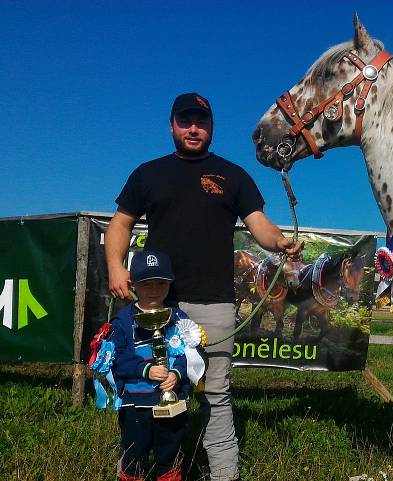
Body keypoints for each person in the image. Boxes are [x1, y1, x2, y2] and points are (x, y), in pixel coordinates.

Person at [106, 92, 301, 481]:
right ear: (172, 125)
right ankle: (144, 467)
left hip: (214, 305)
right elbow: (121, 223)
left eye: (201, 121)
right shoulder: (148, 174)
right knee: (145, 389)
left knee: (215, 393)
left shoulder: (233, 175)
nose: (193, 128)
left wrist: (278, 241)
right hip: (156, 305)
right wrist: (115, 266)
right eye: (185, 121)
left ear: (211, 127)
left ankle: (224, 476)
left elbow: (258, 222)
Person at [111, 250, 190, 481]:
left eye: (160, 283)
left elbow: (190, 353)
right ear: (133, 285)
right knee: (134, 456)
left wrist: (176, 373)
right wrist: (145, 369)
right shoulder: (123, 319)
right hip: (136, 405)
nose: (154, 289)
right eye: (146, 284)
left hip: (172, 403)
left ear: (169, 284)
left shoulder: (179, 317)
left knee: (170, 455)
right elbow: (118, 357)